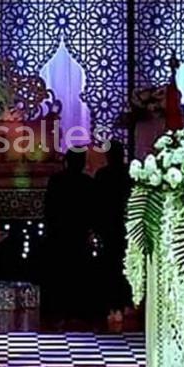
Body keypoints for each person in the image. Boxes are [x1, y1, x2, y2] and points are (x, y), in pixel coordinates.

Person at [43, 148, 96, 322]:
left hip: (61, 233)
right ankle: (77, 310)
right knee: (77, 272)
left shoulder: (57, 180)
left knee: (62, 272)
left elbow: (48, 208)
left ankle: (60, 310)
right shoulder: (87, 182)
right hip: (77, 233)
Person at [93, 141, 133, 330]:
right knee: (122, 265)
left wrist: (96, 227)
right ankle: (124, 304)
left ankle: (113, 305)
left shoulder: (103, 175)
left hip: (109, 227)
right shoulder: (128, 174)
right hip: (123, 227)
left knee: (111, 266)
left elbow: (97, 203)